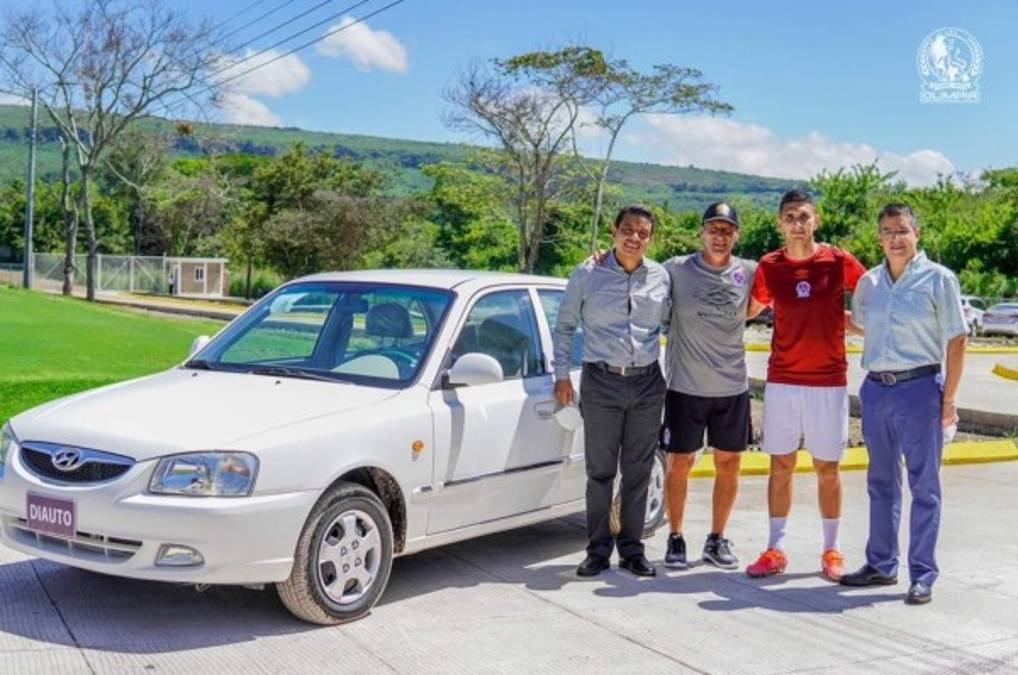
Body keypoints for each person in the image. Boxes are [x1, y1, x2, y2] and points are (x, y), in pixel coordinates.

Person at [840, 204, 967, 605]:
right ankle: (881, 564)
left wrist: (949, 399)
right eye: (887, 231)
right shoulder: (870, 283)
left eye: (902, 230)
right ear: (878, 237)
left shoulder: (939, 279)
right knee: (880, 482)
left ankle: (923, 573)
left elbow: (957, 338)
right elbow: (864, 324)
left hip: (919, 390)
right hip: (877, 389)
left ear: (917, 234)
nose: (895, 237)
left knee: (924, 486)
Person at [745, 188, 867, 582]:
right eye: (790, 217)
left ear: (816, 221)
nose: (797, 224)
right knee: (780, 465)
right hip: (782, 381)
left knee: (827, 468)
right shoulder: (769, 266)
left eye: (804, 217)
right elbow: (745, 308)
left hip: (829, 382)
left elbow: (875, 295)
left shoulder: (838, 260)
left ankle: (831, 550)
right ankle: (775, 548)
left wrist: (853, 321)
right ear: (780, 223)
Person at [553, 204, 671, 578]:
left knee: (638, 470)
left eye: (643, 233)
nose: (634, 238)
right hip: (601, 380)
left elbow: (672, 325)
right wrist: (561, 377)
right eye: (628, 230)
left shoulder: (661, 277)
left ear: (650, 239)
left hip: (648, 381)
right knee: (600, 471)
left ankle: (633, 551)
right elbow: (565, 326)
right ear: (614, 231)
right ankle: (598, 550)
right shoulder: (588, 273)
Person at [660, 202, 760, 570]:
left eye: (727, 230)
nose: (720, 236)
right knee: (680, 462)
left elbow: (778, 285)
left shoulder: (749, 271)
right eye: (713, 229)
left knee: (729, 463)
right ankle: (676, 536)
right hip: (685, 386)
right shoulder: (676, 268)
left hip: (731, 387)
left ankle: (716, 538)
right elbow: (634, 269)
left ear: (737, 235)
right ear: (701, 232)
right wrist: (601, 257)